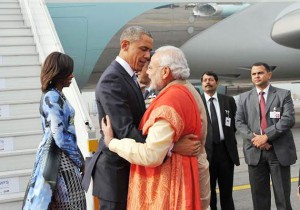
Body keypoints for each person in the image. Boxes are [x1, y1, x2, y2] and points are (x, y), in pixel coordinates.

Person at [82, 26, 200, 210]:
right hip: (116, 177)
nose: (148, 56)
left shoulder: (127, 77)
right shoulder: (112, 80)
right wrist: (171, 146)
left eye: (149, 51)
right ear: (125, 45)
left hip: (129, 169)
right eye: (143, 49)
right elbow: (125, 131)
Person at [22, 52, 86, 209]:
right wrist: (80, 160)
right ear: (59, 73)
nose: (72, 75)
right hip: (59, 160)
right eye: (68, 72)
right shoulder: (52, 97)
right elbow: (59, 136)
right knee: (72, 204)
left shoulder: (56, 95)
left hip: (58, 157)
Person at [235, 62, 297, 210]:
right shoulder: (243, 98)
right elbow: (239, 122)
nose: (257, 76)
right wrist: (256, 139)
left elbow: (288, 119)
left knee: (283, 198)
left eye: (260, 73)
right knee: (259, 199)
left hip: (278, 153)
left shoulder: (283, 94)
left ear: (269, 75)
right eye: (254, 74)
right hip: (255, 153)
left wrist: (267, 136)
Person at [200, 71, 240, 210]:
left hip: (226, 152)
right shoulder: (197, 102)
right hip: (206, 153)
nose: (207, 82)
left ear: (217, 83)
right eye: (205, 80)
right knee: (209, 193)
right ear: (201, 84)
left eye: (210, 79)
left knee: (227, 193)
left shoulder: (228, 100)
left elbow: (234, 124)